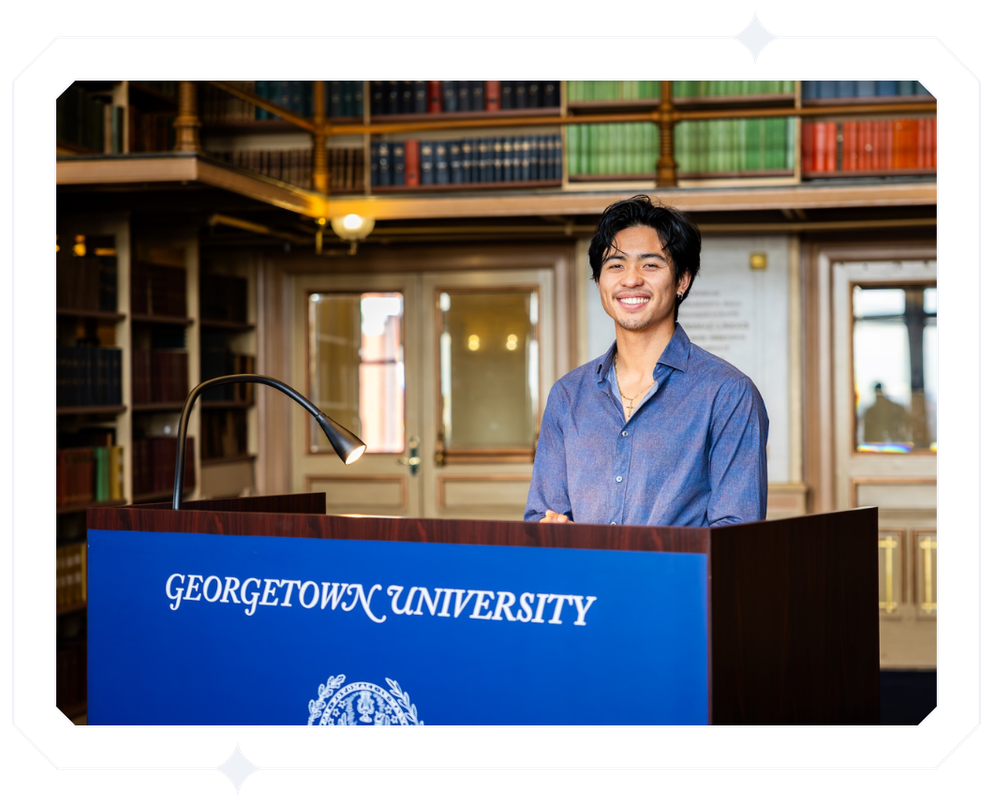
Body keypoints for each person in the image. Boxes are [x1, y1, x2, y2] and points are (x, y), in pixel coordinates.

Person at [524, 195, 768, 527]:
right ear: (600, 282)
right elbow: (542, 516)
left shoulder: (728, 394)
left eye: (650, 264)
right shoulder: (568, 395)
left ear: (682, 280)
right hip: (586, 579)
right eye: (615, 265)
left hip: (676, 580)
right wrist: (551, 531)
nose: (631, 279)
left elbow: (736, 535)